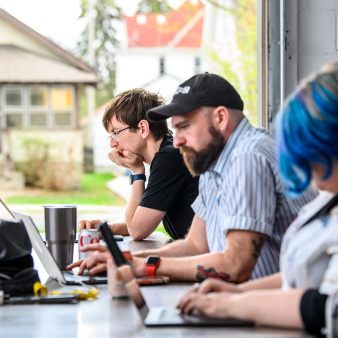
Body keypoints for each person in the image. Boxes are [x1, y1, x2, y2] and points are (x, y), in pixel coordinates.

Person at [71, 73, 318, 282]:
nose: (176, 140)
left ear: (220, 119)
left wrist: (145, 267)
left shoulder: (248, 157)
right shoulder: (213, 161)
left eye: (184, 127)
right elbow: (196, 246)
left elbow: (235, 266)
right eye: (175, 128)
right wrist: (125, 259)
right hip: (240, 295)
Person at [177, 64, 338, 338]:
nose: (306, 167)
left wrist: (233, 304)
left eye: (311, 150)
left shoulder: (248, 157)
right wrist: (238, 292)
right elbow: (298, 276)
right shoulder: (326, 200)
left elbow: (327, 306)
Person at [77, 88, 199, 241]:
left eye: (116, 133)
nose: (112, 144)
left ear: (143, 128)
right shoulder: (168, 153)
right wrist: (104, 229)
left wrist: (136, 171)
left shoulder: (170, 158)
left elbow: (137, 230)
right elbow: (139, 217)